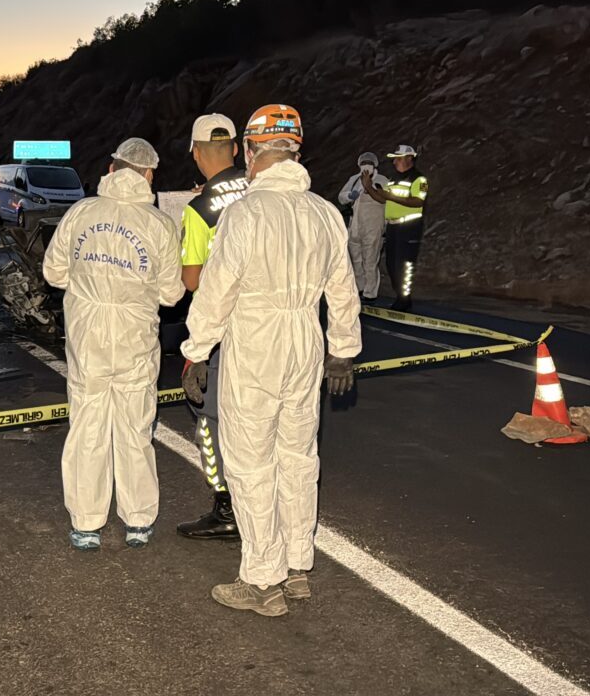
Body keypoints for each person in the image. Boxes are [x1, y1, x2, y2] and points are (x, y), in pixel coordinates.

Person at [181, 104, 362, 617]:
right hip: (304, 339)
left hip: (255, 343)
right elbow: (343, 291)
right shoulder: (325, 212)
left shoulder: (246, 214)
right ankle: (298, 565)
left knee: (250, 461)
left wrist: (196, 351)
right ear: (295, 151)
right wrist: (342, 351)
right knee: (299, 457)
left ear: (256, 152)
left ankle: (262, 581)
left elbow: (216, 290)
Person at [44, 137, 184, 551]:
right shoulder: (158, 224)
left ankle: (86, 524)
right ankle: (138, 520)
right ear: (149, 175)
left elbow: (53, 273)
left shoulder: (81, 213)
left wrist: (87, 286)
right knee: (135, 427)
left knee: (87, 425)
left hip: (88, 334)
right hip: (135, 335)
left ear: (111, 169)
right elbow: (172, 295)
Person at [175, 114, 250, 541]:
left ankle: (225, 505)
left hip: (221, 331)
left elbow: (191, 280)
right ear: (237, 149)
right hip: (271, 325)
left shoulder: (199, 208)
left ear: (195, 152)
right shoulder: (262, 190)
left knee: (210, 419)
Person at [366, 145, 427, 311]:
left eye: (398, 158)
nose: (394, 162)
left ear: (409, 158)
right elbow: (382, 198)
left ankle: (404, 300)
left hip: (409, 226)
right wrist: (369, 187)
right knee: (391, 264)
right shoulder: (393, 179)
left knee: (404, 265)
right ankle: (400, 297)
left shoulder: (419, 179)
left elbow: (418, 201)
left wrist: (389, 196)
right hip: (393, 227)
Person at [338, 152, 389, 303]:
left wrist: (385, 227)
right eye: (363, 162)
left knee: (370, 260)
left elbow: (387, 201)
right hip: (355, 226)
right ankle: (359, 288)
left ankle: (370, 293)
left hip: (373, 227)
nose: (366, 165)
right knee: (356, 260)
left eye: (369, 162)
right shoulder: (354, 180)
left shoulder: (382, 181)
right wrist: (349, 196)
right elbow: (341, 197)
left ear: (375, 165)